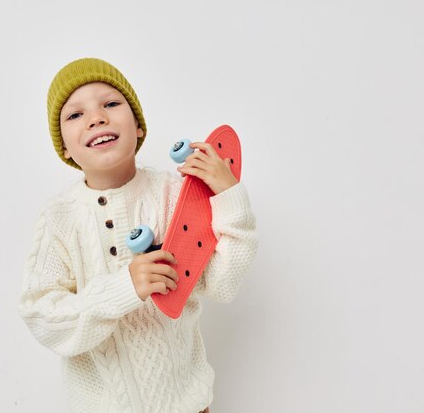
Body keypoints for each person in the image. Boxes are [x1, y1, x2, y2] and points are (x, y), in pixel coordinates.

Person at [17, 57, 259, 413]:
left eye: (111, 104)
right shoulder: (60, 218)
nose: (96, 118)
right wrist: (123, 288)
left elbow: (222, 284)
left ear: (139, 127)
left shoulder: (174, 195)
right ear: (65, 148)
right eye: (74, 115)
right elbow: (42, 316)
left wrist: (228, 196)